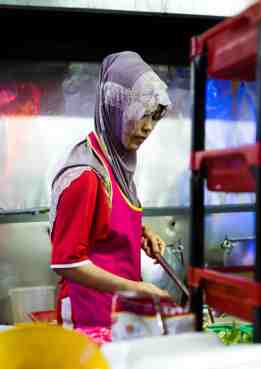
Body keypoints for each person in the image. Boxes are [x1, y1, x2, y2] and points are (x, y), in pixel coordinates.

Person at [49, 51, 171, 329]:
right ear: (115, 108)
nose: (147, 128)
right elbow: (66, 263)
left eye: (154, 118)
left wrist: (140, 232)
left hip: (117, 317)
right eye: (140, 115)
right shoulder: (86, 174)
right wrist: (137, 289)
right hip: (88, 319)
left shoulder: (117, 163)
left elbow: (103, 223)